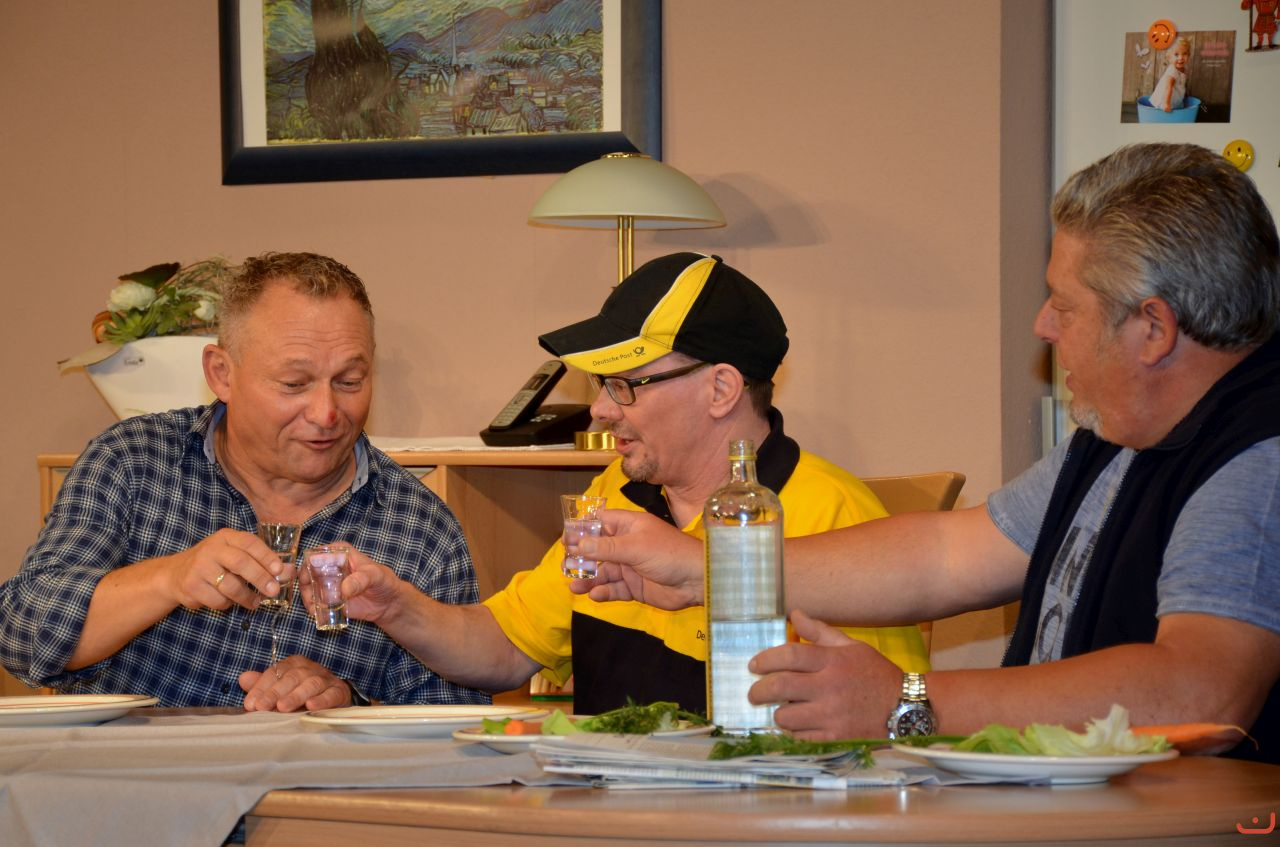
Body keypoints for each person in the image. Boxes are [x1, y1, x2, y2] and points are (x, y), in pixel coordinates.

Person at [571, 144, 1280, 763]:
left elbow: (1201, 692)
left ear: (1153, 328)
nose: (1042, 326)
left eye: (1064, 307)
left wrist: (908, 700)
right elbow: (948, 555)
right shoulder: (1118, 436)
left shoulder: (1259, 457)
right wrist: (706, 569)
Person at [337, 252, 931, 715]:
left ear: (721, 389)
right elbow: (503, 649)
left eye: (624, 385)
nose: (600, 410)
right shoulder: (613, 494)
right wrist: (398, 608)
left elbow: (885, 724)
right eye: (601, 384)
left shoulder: (834, 514)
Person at [0, 252, 488, 711]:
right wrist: (168, 579)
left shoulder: (420, 528)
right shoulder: (134, 460)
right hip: (129, 767)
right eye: (294, 384)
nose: (326, 413)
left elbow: (452, 722)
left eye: (349, 382)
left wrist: (347, 706)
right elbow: (22, 636)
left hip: (310, 776)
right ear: (221, 375)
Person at [1149, 37, 1190, 112]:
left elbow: (1180, 85)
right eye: (1176, 54)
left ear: (1189, 55)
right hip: (1165, 99)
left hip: (1174, 97)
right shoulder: (1172, 71)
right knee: (1168, 113)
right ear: (1169, 57)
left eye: (1184, 54)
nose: (1181, 58)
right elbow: (1168, 87)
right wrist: (1167, 104)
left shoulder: (1182, 69)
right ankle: (1164, 107)